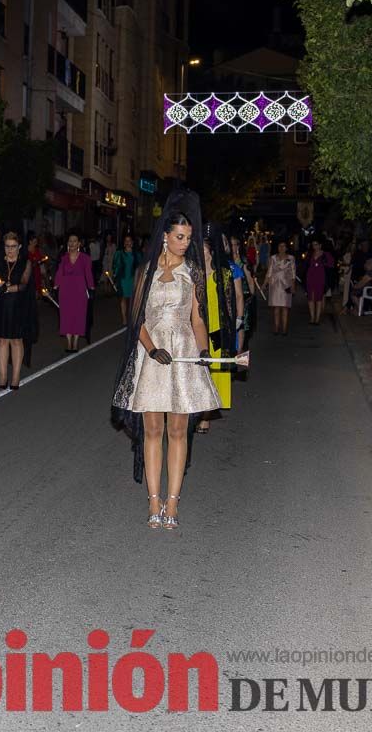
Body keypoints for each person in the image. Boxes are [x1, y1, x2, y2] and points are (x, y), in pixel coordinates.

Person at [111, 190, 221, 531]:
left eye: (188, 238)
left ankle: (173, 502)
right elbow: (136, 318)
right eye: (179, 237)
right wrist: (150, 347)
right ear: (165, 236)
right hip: (153, 354)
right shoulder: (146, 271)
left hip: (183, 353)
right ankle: (154, 500)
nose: (185, 243)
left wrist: (203, 352)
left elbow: (198, 320)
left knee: (178, 429)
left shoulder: (193, 273)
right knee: (152, 429)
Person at [198, 225, 242, 434]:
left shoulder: (222, 274)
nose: (201, 254)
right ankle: (196, 410)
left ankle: (205, 416)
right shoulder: (192, 274)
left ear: (211, 252)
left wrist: (234, 328)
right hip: (196, 328)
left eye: (204, 250)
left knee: (212, 370)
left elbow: (230, 303)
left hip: (216, 328)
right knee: (197, 369)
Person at [0, 232, 35, 390]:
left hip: (18, 306)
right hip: (1, 306)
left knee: (16, 340)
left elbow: (24, 284)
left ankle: (15, 376)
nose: (10, 249)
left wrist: (7, 288)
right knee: (1, 340)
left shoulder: (25, 262)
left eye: (13, 246)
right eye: (7, 246)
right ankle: (2, 375)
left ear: (19, 247)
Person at [55, 230, 94, 352]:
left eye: (74, 241)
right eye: (70, 241)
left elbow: (88, 274)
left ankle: (76, 341)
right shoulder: (63, 258)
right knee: (66, 315)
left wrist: (91, 287)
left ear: (79, 244)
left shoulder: (85, 258)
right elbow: (59, 273)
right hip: (66, 290)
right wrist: (56, 285)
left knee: (79, 315)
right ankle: (68, 341)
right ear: (67, 243)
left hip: (80, 290)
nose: (72, 243)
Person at [266, 241, 296, 335]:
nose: (281, 248)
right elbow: (269, 272)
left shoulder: (291, 258)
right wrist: (265, 283)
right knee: (276, 308)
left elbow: (293, 274)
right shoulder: (273, 258)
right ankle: (276, 328)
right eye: (280, 246)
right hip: (275, 285)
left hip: (286, 284)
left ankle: (284, 329)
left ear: (286, 248)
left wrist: (293, 286)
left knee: (285, 308)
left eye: (283, 246)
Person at [112, 235, 141, 326]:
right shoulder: (119, 253)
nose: (128, 242)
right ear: (124, 243)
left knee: (133, 300)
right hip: (123, 279)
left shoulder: (137, 254)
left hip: (134, 279)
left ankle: (132, 317)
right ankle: (124, 319)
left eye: (129, 241)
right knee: (123, 299)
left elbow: (141, 266)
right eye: (126, 241)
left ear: (132, 243)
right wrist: (115, 274)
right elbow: (115, 265)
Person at [305, 238, 334, 325]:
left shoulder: (326, 254)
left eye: (316, 244)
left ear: (320, 245)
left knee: (319, 298)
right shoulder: (310, 254)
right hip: (310, 278)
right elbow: (306, 265)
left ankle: (317, 319)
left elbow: (331, 265)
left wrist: (324, 263)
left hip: (321, 278)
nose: (315, 246)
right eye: (313, 245)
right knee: (310, 298)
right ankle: (312, 317)